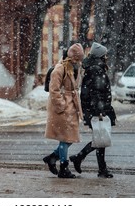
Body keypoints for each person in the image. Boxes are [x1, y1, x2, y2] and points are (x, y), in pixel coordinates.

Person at [69, 42, 116, 178]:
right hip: (97, 109)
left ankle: (99, 168)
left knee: (100, 138)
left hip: (96, 108)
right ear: (101, 56)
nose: (106, 57)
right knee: (100, 138)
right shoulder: (96, 69)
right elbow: (95, 92)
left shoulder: (95, 67)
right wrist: (99, 109)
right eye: (105, 55)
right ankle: (81, 158)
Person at [43, 43, 84, 178]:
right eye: (77, 59)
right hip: (63, 107)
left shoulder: (72, 68)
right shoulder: (60, 69)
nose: (79, 62)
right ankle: (63, 167)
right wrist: (61, 105)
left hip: (70, 105)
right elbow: (53, 90)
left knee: (70, 137)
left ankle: (53, 157)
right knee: (65, 138)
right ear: (71, 58)